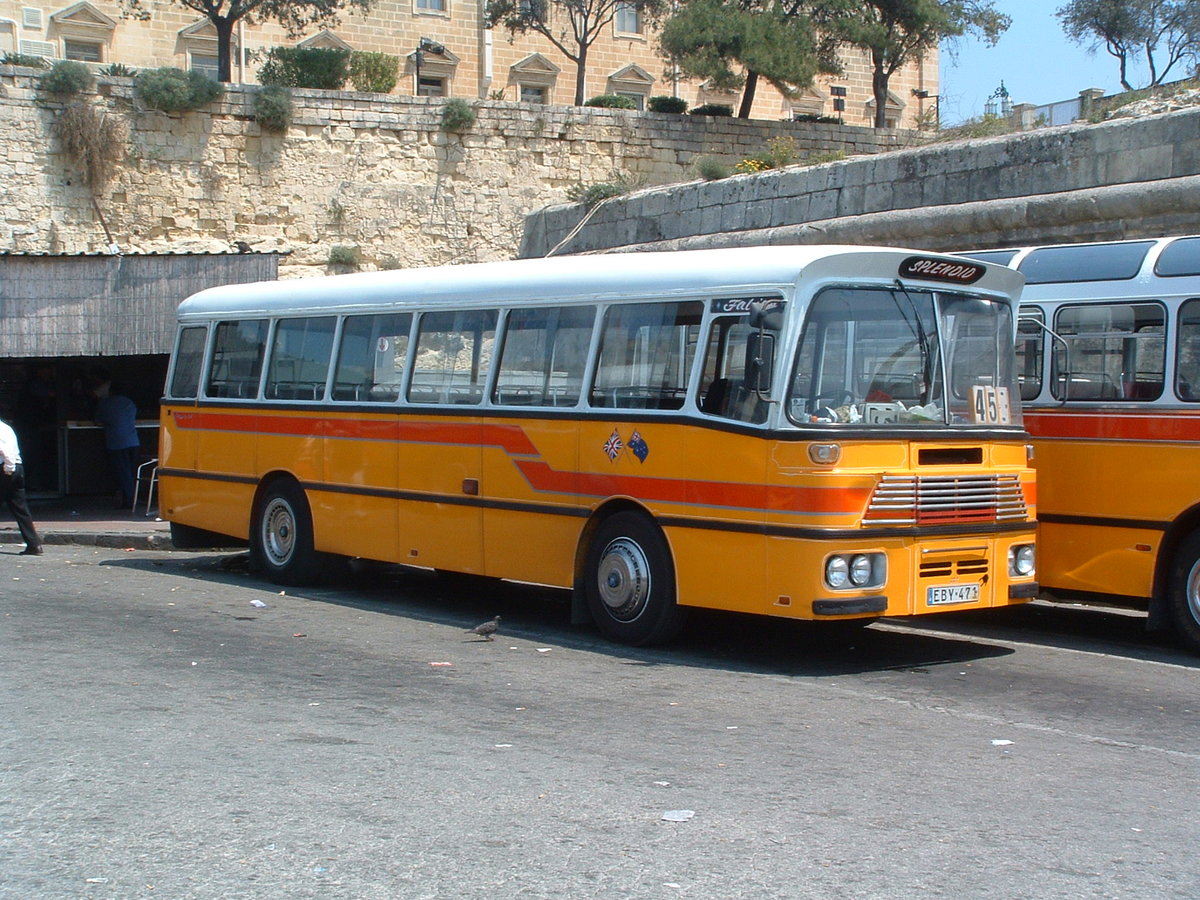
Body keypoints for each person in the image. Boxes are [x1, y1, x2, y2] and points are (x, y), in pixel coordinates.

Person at [93, 377, 140, 510]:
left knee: (122, 473)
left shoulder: (105, 404)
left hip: (117, 443)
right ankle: (131, 498)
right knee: (130, 472)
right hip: (133, 441)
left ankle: (129, 501)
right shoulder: (129, 403)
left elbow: (98, 420)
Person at [0, 415, 44, 555]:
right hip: (17, 468)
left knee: (19, 507)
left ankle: (34, 545)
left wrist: (8, 468)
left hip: (6, 467)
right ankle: (34, 544)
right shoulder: (7, 428)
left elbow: (4, 450)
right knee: (20, 508)